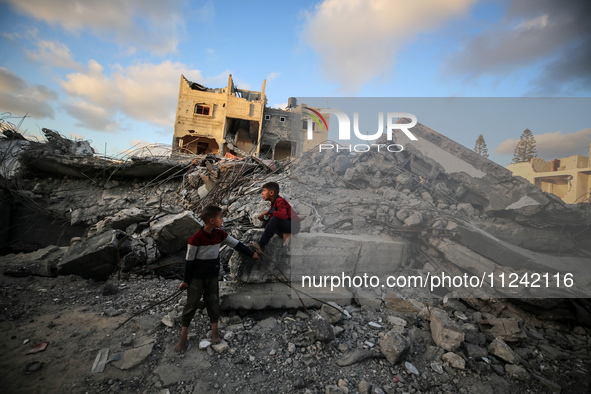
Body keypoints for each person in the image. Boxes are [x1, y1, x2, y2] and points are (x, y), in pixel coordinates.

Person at [174, 205, 259, 353]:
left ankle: (215, 331)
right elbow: (189, 261)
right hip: (196, 278)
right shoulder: (195, 239)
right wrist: (185, 281)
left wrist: (251, 254)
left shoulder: (220, 235)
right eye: (220, 217)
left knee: (213, 301)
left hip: (212, 276)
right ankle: (183, 336)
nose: (223, 220)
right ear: (212, 220)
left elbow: (237, 244)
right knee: (191, 304)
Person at [251, 182, 301, 252]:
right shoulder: (273, 202)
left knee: (274, 220)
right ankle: (284, 233)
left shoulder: (280, 201)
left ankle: (261, 244)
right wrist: (264, 218)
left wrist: (268, 212)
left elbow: (283, 216)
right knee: (266, 224)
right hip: (287, 225)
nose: (262, 193)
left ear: (271, 192)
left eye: (264, 190)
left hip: (294, 226)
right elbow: (273, 217)